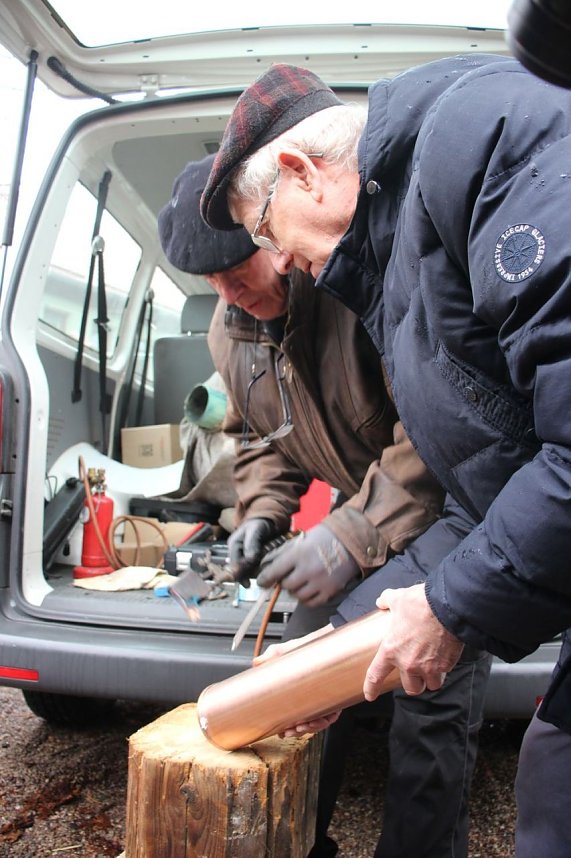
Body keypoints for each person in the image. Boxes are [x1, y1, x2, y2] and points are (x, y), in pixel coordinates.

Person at [200, 54, 571, 857]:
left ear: (301, 173)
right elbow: (489, 493)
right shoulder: (391, 275)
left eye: (261, 231)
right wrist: (337, 646)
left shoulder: (478, 149)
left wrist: (439, 608)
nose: (276, 259)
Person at [158, 155, 494, 858]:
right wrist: (259, 515)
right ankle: (301, 844)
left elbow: (439, 435)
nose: (229, 293)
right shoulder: (230, 331)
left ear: (275, 240)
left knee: (425, 710)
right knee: (297, 690)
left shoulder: (359, 294)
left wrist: (348, 536)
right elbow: (260, 434)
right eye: (211, 283)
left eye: (237, 270)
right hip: (360, 514)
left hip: (451, 515)